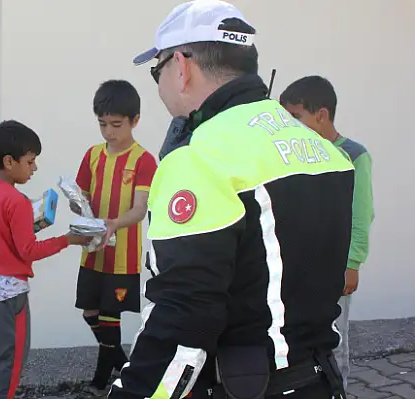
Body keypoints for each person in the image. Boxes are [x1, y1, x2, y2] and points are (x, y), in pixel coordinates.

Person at [108, 1, 355, 398]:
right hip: (320, 380)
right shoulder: (322, 148)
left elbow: (184, 322)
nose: (158, 84)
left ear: (183, 66)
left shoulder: (199, 158)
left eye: (158, 70)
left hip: (248, 386)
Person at [0, 120, 92, 399]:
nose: (34, 168)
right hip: (12, 292)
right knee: (14, 360)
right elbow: (29, 251)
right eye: (31, 161)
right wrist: (68, 240)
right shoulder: (18, 202)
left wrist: (19, 230)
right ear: (9, 161)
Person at [280, 75, 375, 388]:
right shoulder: (291, 153)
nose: (289, 125)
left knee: (334, 341)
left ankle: (338, 389)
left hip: (334, 269)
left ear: (321, 115)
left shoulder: (353, 155)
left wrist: (352, 264)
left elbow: (361, 215)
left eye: (295, 117)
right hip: (296, 267)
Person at [73, 80, 158, 398]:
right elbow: (81, 195)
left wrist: (114, 223)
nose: (109, 132)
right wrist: (76, 204)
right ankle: (123, 366)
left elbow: (139, 210)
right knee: (90, 313)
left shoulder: (143, 161)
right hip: (92, 250)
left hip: (122, 254)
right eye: (103, 124)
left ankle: (99, 382)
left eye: (116, 125)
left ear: (135, 121)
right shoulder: (93, 155)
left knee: (110, 317)